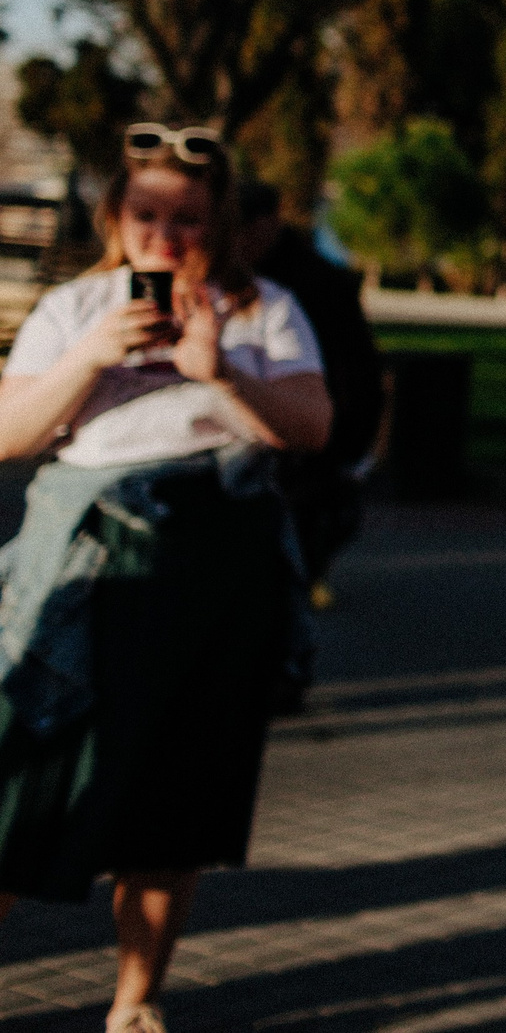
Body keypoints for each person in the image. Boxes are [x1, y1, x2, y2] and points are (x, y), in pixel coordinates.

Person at [0, 124, 332, 1033]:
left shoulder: (263, 309)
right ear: (116, 213)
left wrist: (218, 367)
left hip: (217, 576)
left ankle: (136, 1000)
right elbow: (8, 433)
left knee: (175, 806)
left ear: (217, 221)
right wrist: (92, 357)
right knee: (20, 788)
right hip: (87, 566)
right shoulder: (77, 306)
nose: (165, 233)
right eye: (147, 211)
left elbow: (310, 426)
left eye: (187, 216)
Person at [235, 181, 384, 606]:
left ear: (269, 223)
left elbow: (353, 369)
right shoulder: (241, 276)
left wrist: (351, 438)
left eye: (244, 228)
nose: (238, 241)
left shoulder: (311, 285)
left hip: (312, 432)